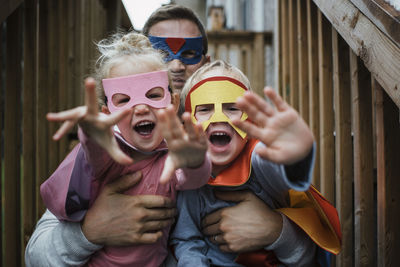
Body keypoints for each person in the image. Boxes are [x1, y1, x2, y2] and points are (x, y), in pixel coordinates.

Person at [26, 4, 340, 267]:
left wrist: (276, 230)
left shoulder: (243, 142)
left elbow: (311, 254)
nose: (175, 65)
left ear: (204, 62)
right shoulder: (114, 146)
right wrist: (90, 231)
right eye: (161, 53)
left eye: (189, 53)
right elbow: (35, 256)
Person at [39, 32, 211, 267]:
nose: (140, 107)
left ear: (173, 102)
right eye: (124, 100)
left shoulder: (170, 155)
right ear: (107, 112)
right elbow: (94, 159)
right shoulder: (111, 154)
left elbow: (192, 179)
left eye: (153, 95)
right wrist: (93, 136)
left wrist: (195, 161)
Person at [170, 60, 315, 266]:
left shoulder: (259, 159)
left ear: (250, 122)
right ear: (187, 125)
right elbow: (187, 240)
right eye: (204, 109)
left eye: (232, 108)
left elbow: (281, 171)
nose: (219, 118)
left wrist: (297, 155)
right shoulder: (189, 177)